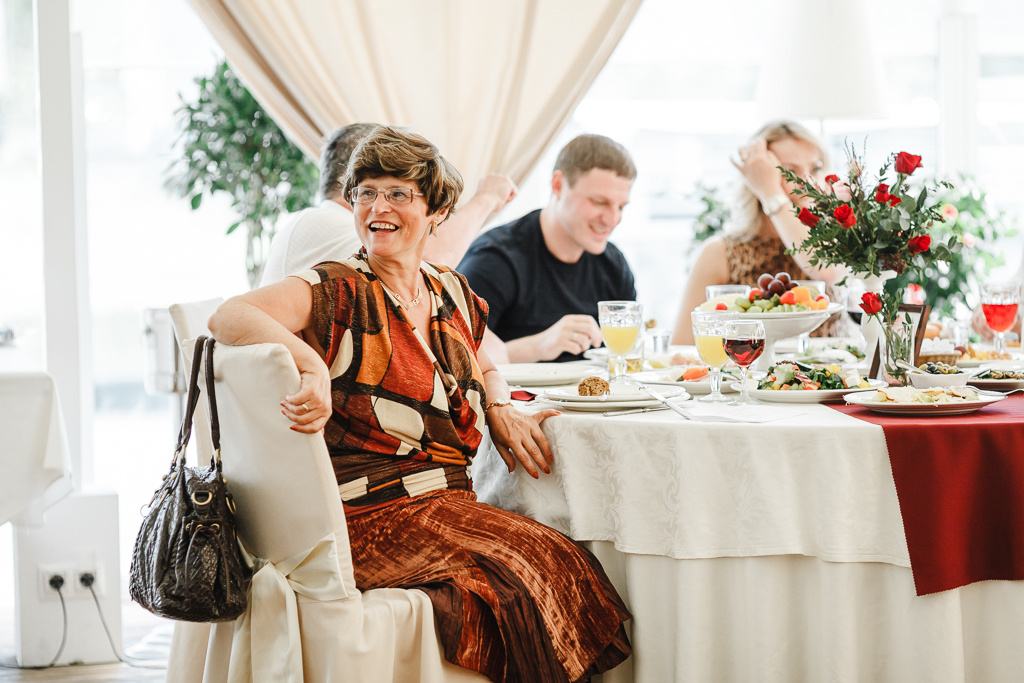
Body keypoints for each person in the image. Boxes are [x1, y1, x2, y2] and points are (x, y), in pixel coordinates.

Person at [208, 126, 631, 683]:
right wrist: (310, 363)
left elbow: (483, 358)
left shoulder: (447, 288)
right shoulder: (338, 285)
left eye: (397, 194)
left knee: (562, 562)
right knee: (533, 565)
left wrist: (500, 406)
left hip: (443, 501)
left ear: (436, 211)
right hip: (369, 514)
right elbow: (228, 317)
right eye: (365, 193)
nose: (377, 208)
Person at [260, 123, 519, 286]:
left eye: (398, 193)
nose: (382, 206)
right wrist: (486, 199)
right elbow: (428, 263)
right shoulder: (320, 221)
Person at [458, 134, 637, 363]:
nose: (612, 219)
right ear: (558, 185)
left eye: (621, 206)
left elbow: (628, 356)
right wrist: (537, 347)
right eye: (599, 202)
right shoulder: (495, 259)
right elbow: (455, 360)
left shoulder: (614, 265)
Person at [672, 120, 849, 344]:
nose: (808, 182)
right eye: (789, 172)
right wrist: (770, 192)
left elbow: (826, 269)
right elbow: (683, 348)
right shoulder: (721, 253)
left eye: (815, 168)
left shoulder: (838, 238)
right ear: (758, 178)